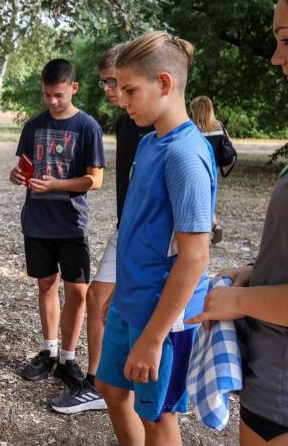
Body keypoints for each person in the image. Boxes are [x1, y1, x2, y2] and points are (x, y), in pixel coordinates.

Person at [187, 0, 288, 445]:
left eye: (286, 39)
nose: (275, 56)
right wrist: (255, 274)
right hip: (286, 384)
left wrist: (239, 303)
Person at [95, 32, 216, 446]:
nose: (122, 99)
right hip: (131, 302)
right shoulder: (149, 142)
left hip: (163, 319)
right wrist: (122, 291)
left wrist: (153, 337)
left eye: (130, 89)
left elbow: (195, 257)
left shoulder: (186, 155)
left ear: (164, 84)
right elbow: (140, 226)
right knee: (111, 388)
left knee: (159, 419)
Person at [50, 44, 153, 414]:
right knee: (99, 300)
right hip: (126, 227)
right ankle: (98, 383)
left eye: (117, 82)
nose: (111, 90)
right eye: (107, 82)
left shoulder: (155, 122)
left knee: (128, 308)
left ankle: (134, 387)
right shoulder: (128, 121)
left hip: (149, 235)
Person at [9, 59, 106, 392]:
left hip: (71, 225)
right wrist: (17, 175)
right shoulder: (33, 126)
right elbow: (21, 169)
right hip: (36, 223)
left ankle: (68, 357)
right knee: (46, 285)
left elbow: (95, 180)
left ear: (73, 88)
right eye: (48, 95)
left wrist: (56, 185)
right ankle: (49, 351)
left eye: (59, 95)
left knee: (77, 293)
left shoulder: (87, 127)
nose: (52, 101)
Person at [190, 95, 229, 245]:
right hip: (215, 168)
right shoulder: (219, 126)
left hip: (197, 167)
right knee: (209, 197)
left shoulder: (192, 128)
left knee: (199, 199)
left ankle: (206, 228)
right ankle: (214, 224)